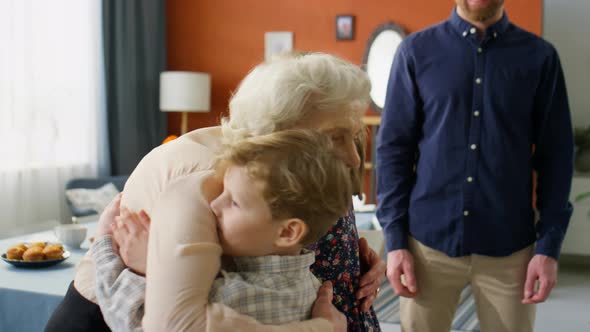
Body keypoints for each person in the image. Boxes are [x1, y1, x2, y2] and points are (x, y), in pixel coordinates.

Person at [46, 52, 385, 332]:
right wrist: (324, 328)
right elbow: (178, 324)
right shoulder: (210, 180)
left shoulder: (304, 169)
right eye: (333, 137)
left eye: (353, 135)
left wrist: (349, 258)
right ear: (278, 131)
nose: (353, 156)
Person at [376, 1, 573, 332]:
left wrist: (548, 248)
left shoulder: (540, 58)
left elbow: (557, 157)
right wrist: (395, 243)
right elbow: (394, 151)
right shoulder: (415, 52)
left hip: (510, 251)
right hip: (427, 247)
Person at [92, 130, 355, 331]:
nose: (215, 205)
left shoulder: (231, 296)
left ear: (287, 233)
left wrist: (121, 252)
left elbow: (130, 321)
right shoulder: (312, 286)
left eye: (235, 202)